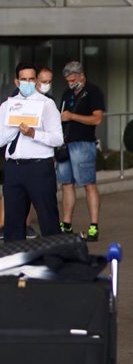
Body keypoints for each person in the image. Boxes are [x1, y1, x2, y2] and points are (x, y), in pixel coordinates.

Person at [0, 62, 63, 242]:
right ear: (16, 81)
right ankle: (15, 265)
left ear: (36, 81)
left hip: (39, 168)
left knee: (48, 219)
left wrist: (33, 133)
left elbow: (58, 139)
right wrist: (15, 127)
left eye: (31, 79)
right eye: (23, 79)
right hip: (13, 168)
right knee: (13, 223)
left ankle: (55, 263)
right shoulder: (6, 106)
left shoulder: (46, 104)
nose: (27, 83)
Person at [57, 61, 104, 241]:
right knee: (66, 184)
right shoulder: (66, 93)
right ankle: (66, 223)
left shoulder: (93, 92)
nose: (70, 82)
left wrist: (72, 116)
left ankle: (94, 225)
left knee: (88, 183)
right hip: (65, 143)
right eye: (68, 79)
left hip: (83, 144)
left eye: (73, 78)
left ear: (81, 75)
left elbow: (97, 119)